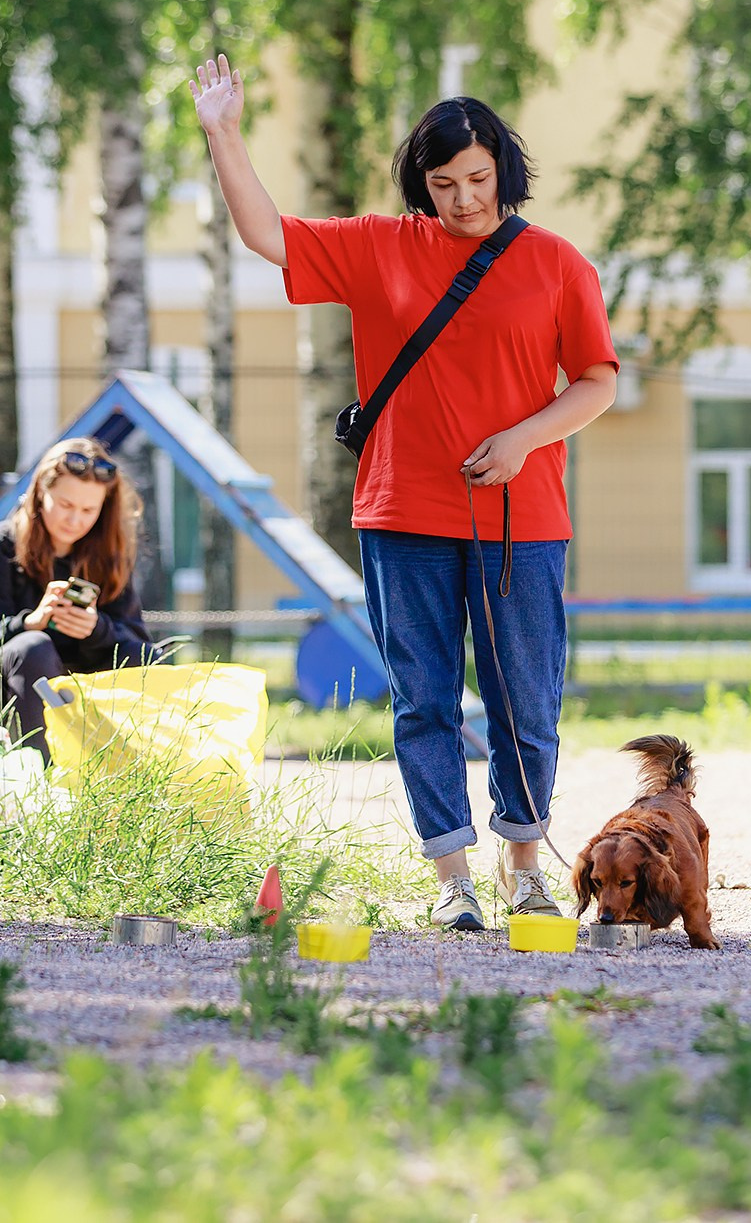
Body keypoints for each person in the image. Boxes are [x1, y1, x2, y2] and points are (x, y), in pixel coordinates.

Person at [192, 56, 618, 931]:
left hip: (520, 516)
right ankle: (452, 880)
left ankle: (525, 865)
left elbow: (596, 380)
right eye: (443, 183)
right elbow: (267, 234)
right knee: (423, 699)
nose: (464, 200)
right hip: (401, 513)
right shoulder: (380, 245)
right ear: (420, 185)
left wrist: (524, 437)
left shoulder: (558, 264)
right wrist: (223, 133)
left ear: (503, 167)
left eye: (477, 178)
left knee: (524, 696)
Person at [0, 437, 157, 754]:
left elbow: (140, 645)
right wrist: (31, 622)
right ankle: (40, 783)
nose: (75, 520)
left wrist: (96, 630)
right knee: (33, 647)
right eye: (66, 505)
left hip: (76, 687)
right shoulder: (1, 542)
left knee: (146, 659)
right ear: (40, 494)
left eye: (89, 510)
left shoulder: (108, 554)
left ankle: (133, 775)